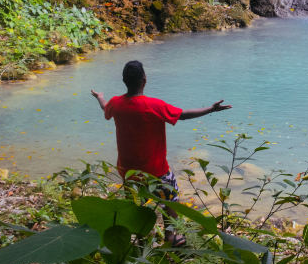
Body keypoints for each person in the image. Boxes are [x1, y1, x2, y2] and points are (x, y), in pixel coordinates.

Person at [91, 60, 231, 246]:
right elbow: (182, 115)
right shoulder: (154, 105)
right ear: (145, 80)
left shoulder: (116, 104)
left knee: (134, 203)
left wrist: (100, 96)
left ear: (124, 80)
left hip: (128, 170)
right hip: (156, 170)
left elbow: (105, 107)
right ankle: (171, 235)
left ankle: (139, 237)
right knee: (170, 198)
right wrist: (210, 109)